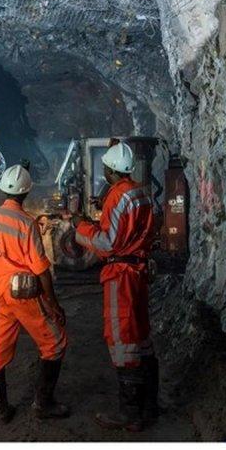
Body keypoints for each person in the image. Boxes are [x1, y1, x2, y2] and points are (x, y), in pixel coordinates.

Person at [71, 141, 159, 432]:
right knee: (140, 335)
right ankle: (149, 404)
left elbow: (108, 243)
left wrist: (81, 226)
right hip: (138, 271)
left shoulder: (118, 195)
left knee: (122, 337)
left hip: (120, 275)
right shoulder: (140, 192)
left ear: (109, 170)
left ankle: (130, 413)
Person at [0, 164, 69, 423]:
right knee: (55, 342)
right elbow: (41, 269)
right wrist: (53, 305)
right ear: (26, 193)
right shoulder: (26, 223)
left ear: (2, 190)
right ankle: (43, 404)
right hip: (21, 294)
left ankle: (0, 409)